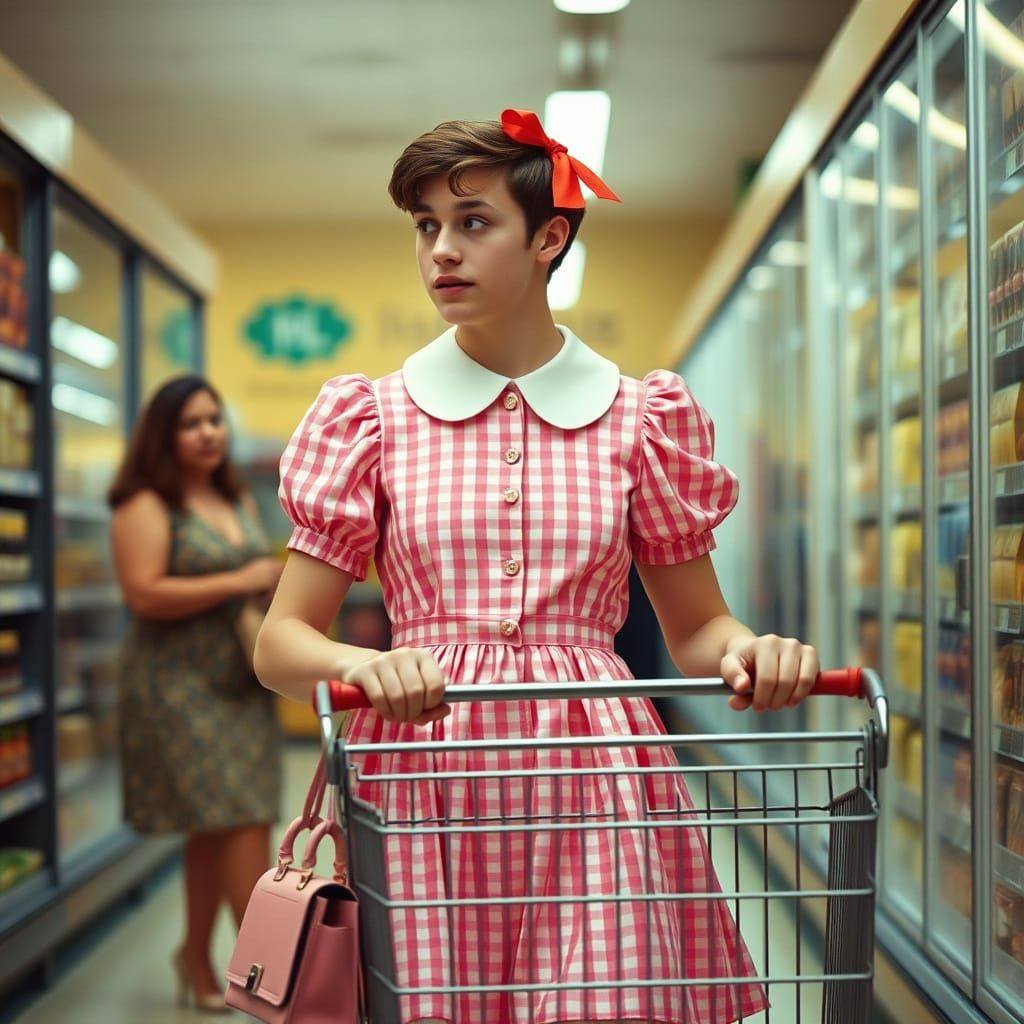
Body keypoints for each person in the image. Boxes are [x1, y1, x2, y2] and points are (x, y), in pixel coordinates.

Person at [255, 109, 820, 1024]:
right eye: (426, 226)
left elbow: (697, 626)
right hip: (420, 776)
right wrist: (362, 665)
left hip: (595, 776)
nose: (442, 250)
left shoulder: (641, 420)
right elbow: (279, 645)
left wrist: (751, 650)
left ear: (550, 236)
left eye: (474, 222)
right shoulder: (373, 422)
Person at [109, 375, 283, 1014]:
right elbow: (144, 593)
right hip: (179, 687)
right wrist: (239, 578)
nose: (209, 432)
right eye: (191, 423)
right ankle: (259, 969)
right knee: (239, 819)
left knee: (222, 826)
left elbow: (241, 582)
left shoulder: (233, 499)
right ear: (164, 434)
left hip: (239, 678)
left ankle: (195, 955)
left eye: (215, 419)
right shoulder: (146, 505)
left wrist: (262, 587)